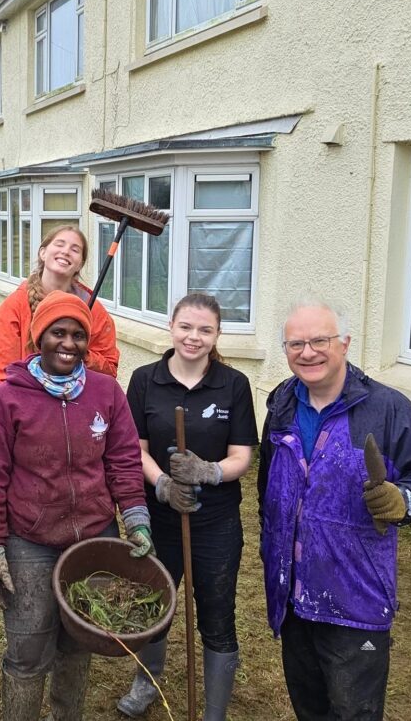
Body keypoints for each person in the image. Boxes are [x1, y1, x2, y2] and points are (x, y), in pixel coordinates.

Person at [0, 290, 153, 721]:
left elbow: (124, 459)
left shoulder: (106, 393)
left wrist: (136, 518)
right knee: (28, 650)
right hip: (30, 541)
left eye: (77, 335)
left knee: (78, 643)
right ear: (39, 338)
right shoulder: (7, 400)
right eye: (58, 333)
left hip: (93, 538)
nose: (68, 343)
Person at [258, 298, 411, 721]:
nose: (308, 352)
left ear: (346, 343)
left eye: (320, 340)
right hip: (293, 594)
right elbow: (268, 486)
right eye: (296, 343)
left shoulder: (386, 409)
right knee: (310, 708)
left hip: (356, 600)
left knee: (354, 712)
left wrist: (403, 501)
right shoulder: (282, 403)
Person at [118, 293, 258, 721]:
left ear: (217, 335)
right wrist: (161, 483)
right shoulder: (145, 379)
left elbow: (242, 456)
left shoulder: (233, 384)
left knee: (217, 610)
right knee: (153, 601)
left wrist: (209, 472)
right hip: (160, 519)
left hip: (216, 523)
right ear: (171, 327)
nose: (193, 337)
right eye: (186, 327)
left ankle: (213, 709)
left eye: (205, 330)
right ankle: (147, 681)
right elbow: (134, 448)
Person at [0, 224, 119, 396]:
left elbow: (109, 370)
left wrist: (79, 353)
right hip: (26, 406)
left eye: (75, 249)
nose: (66, 251)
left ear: (80, 264)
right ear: (43, 253)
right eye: (60, 244)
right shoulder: (16, 306)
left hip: (76, 408)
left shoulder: (93, 310)